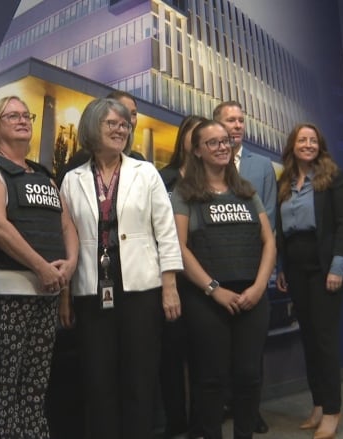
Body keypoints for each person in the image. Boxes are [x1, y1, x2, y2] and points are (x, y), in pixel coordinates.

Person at [59, 97, 182, 439]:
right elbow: (67, 240)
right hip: (90, 291)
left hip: (141, 291)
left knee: (139, 379)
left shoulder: (146, 173)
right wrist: (65, 296)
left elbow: (166, 230)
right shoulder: (72, 179)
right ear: (92, 128)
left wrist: (169, 285)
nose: (119, 130)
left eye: (124, 124)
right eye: (111, 123)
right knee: (98, 380)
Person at [0, 95, 78, 438]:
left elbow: (67, 225)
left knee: (34, 388)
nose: (23, 120)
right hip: (1, 295)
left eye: (26, 115)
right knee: (3, 388)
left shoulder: (44, 174)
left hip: (45, 294)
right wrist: (42, 267)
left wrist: (69, 265)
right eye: (12, 115)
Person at [172, 119, 275, 439]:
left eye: (225, 142)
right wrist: (214, 289)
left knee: (248, 376)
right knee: (211, 378)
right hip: (206, 298)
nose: (221, 147)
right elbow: (179, 246)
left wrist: (258, 287)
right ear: (198, 150)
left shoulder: (246, 190)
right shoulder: (184, 193)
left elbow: (269, 242)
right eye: (212, 142)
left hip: (251, 295)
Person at [275, 123, 343, 439]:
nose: (307, 144)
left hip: (325, 269)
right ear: (292, 145)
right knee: (308, 339)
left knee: (324, 341)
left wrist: (337, 267)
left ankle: (333, 410)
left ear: (319, 145)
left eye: (312, 140)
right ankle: (319, 404)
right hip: (295, 269)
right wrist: (282, 267)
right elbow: (283, 230)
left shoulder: (333, 177)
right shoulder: (285, 181)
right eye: (301, 139)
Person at [213, 101, 275, 434]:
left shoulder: (262, 166)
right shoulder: (204, 165)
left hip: (254, 271)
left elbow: (270, 221)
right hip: (218, 273)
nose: (237, 125)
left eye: (241, 120)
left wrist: (266, 275)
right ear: (216, 126)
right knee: (221, 348)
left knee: (252, 351)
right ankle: (225, 403)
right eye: (230, 120)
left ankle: (251, 410)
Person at [158, 114, 207, 439]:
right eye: (197, 133)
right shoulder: (164, 178)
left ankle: (201, 426)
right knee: (172, 360)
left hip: (207, 279)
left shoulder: (217, 178)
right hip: (174, 278)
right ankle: (177, 425)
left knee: (205, 359)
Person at [56, 90, 143, 185]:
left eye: (133, 114)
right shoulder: (82, 160)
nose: (128, 119)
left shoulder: (141, 164)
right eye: (122, 112)